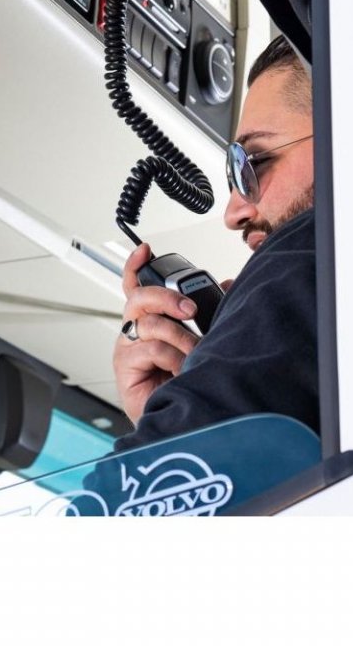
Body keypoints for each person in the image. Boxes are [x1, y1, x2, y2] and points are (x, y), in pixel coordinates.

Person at [112, 34, 319, 451]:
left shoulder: (304, 252)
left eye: (255, 161)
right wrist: (172, 405)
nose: (233, 212)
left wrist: (175, 431)